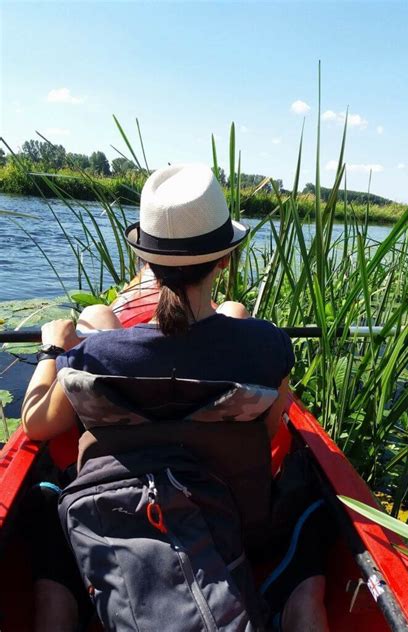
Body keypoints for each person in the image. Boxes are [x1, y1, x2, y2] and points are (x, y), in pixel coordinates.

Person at [22, 163, 329, 632]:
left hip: (114, 524)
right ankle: (296, 606)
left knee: (46, 508)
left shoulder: (94, 355)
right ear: (224, 260)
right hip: (235, 526)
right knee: (310, 522)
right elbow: (268, 432)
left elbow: (37, 424)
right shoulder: (266, 348)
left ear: (146, 261)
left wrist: (53, 348)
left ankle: (63, 613)